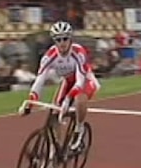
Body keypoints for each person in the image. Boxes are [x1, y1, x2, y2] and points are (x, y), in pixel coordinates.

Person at [23, 21, 100, 150]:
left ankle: (79, 130)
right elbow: (39, 81)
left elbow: (80, 82)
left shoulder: (79, 52)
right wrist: (30, 102)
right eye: (58, 39)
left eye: (65, 38)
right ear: (54, 41)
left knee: (79, 98)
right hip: (68, 82)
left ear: (70, 39)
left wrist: (67, 99)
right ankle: (56, 148)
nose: (62, 42)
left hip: (85, 81)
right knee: (54, 113)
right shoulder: (49, 56)